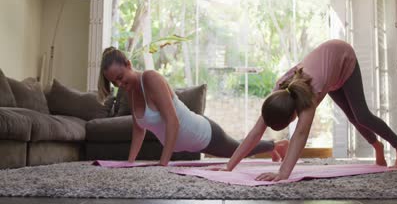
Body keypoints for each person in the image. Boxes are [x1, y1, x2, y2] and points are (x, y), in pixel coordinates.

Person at [219, 39, 397, 181]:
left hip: (342, 57)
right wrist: (229, 166)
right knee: (352, 118)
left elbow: (300, 135)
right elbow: (255, 132)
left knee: (361, 115)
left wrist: (283, 173)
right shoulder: (278, 93)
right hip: (329, 71)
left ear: (294, 114)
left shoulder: (308, 97)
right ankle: (377, 146)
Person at [97, 47, 288, 166]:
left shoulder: (150, 78)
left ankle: (275, 145)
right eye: (115, 82)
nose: (119, 85)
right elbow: (139, 130)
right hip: (191, 141)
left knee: (236, 150)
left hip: (202, 132)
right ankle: (273, 146)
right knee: (236, 147)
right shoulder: (130, 91)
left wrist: (163, 163)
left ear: (129, 64)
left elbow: (173, 121)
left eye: (120, 77)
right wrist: (130, 162)